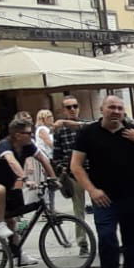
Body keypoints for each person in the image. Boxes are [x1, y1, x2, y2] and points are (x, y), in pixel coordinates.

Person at [70, 96, 134, 268]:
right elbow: (76, 165)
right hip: (103, 197)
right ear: (102, 109)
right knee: (107, 237)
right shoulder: (88, 133)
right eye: (112, 107)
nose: (116, 111)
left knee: (132, 239)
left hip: (132, 194)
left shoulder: (131, 131)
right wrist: (92, 190)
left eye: (119, 108)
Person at [0, 120, 58, 260]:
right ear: (17, 135)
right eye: (28, 133)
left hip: (10, 185)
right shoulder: (5, 146)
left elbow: (42, 158)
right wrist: (26, 179)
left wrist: (53, 178)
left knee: (13, 221)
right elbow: (11, 161)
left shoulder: (27, 145)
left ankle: (17, 254)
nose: (31, 135)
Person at [48, 95, 89, 223]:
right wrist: (62, 169)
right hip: (73, 173)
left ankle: (103, 237)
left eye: (75, 106)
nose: (72, 109)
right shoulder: (60, 130)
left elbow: (91, 125)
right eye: (68, 107)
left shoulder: (86, 126)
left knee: (100, 204)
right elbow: (56, 154)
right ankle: (82, 240)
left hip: (93, 169)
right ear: (63, 110)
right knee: (78, 208)